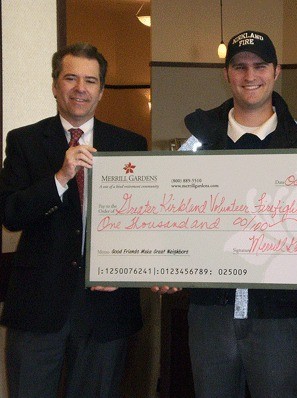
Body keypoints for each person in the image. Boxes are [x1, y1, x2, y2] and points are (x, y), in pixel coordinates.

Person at [152, 30, 297, 398]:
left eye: (260, 66)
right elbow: (170, 219)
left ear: (276, 71)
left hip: (281, 313)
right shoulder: (195, 146)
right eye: (240, 67)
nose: (250, 76)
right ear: (227, 74)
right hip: (210, 313)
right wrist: (164, 265)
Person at [0, 42, 146, 397]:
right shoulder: (24, 141)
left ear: (101, 90)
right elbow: (10, 214)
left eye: (90, 80)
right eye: (71, 78)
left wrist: (126, 269)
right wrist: (60, 177)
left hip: (106, 309)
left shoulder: (130, 144)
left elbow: (142, 224)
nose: (81, 88)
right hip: (38, 308)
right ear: (55, 85)